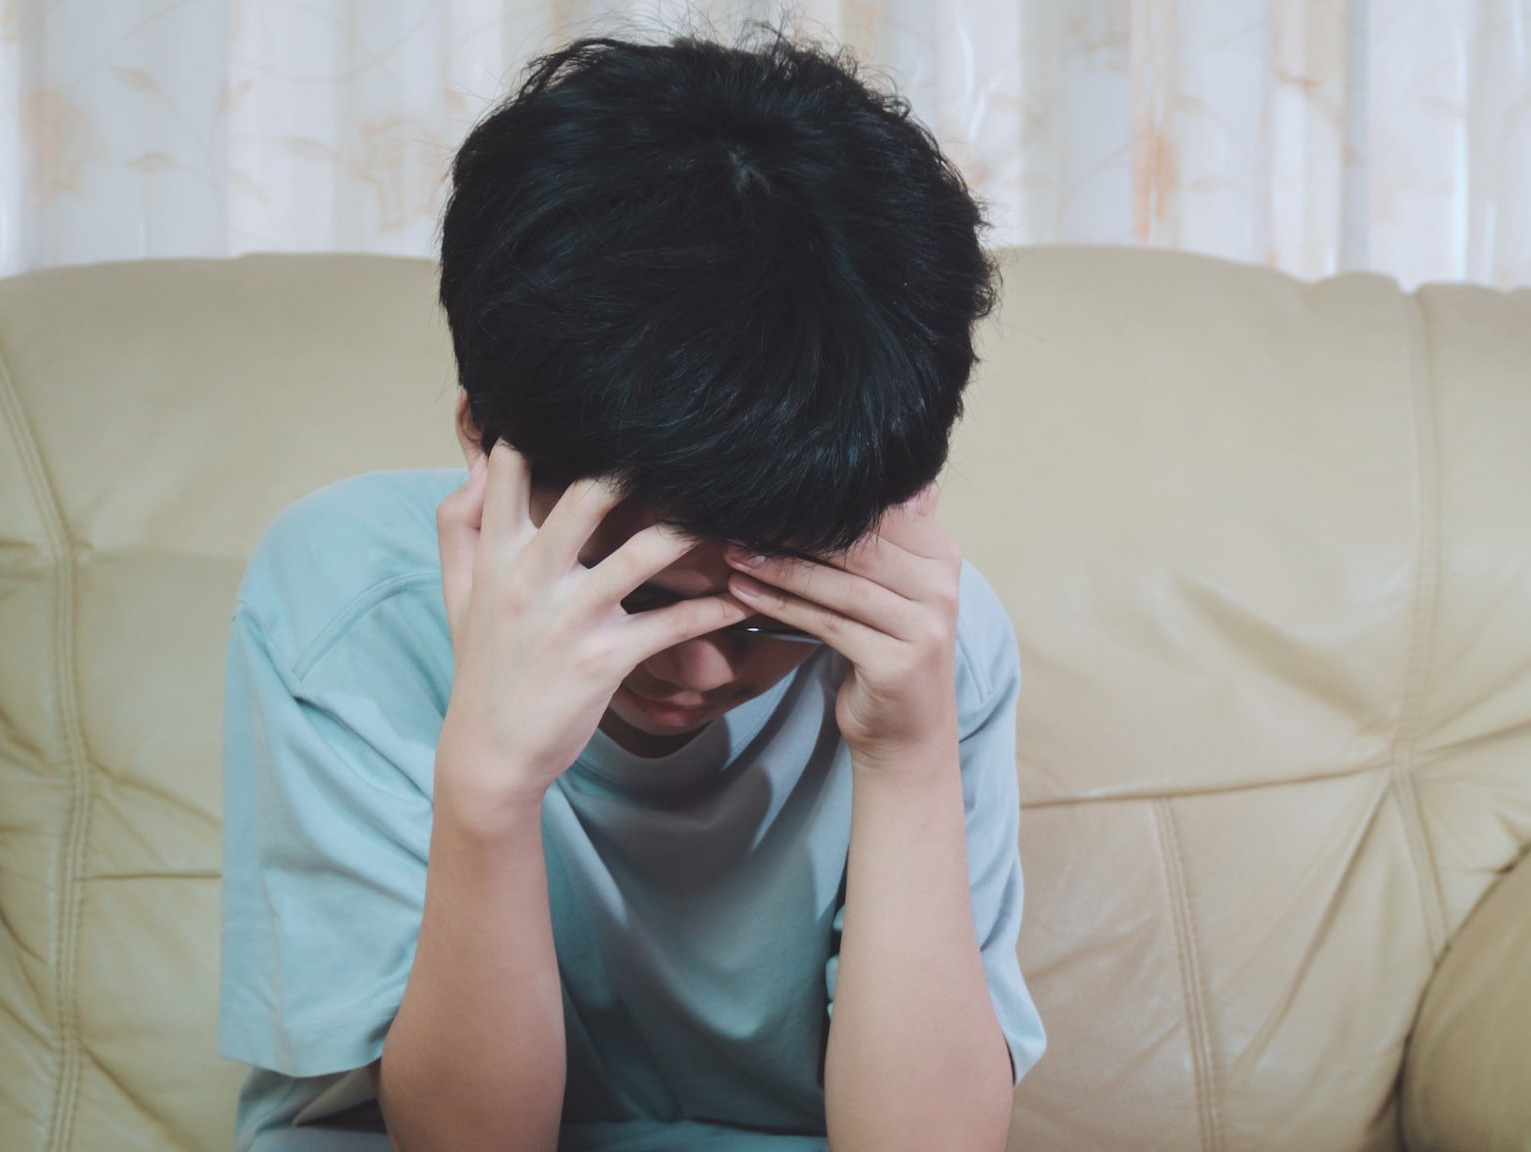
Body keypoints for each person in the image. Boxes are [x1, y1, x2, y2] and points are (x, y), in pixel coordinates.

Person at [217, 23, 1044, 1152]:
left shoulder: (915, 640)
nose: (697, 673)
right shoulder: (349, 602)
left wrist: (904, 757)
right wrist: (491, 787)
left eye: (762, 619)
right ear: (482, 444)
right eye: (639, 599)